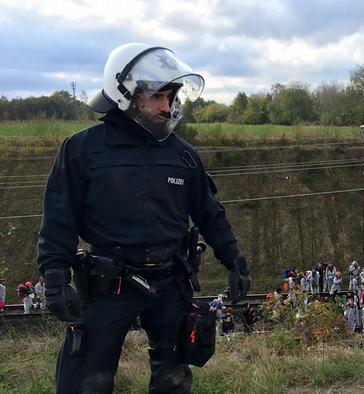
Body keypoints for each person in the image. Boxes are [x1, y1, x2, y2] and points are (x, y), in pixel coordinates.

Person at [37, 43, 251, 394]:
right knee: (87, 382)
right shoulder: (82, 150)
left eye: (170, 97)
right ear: (126, 94)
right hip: (110, 284)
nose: (166, 108)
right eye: (157, 97)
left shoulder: (181, 154)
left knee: (174, 381)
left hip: (170, 282)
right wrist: (55, 279)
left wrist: (234, 260)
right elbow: (60, 218)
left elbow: (210, 212)